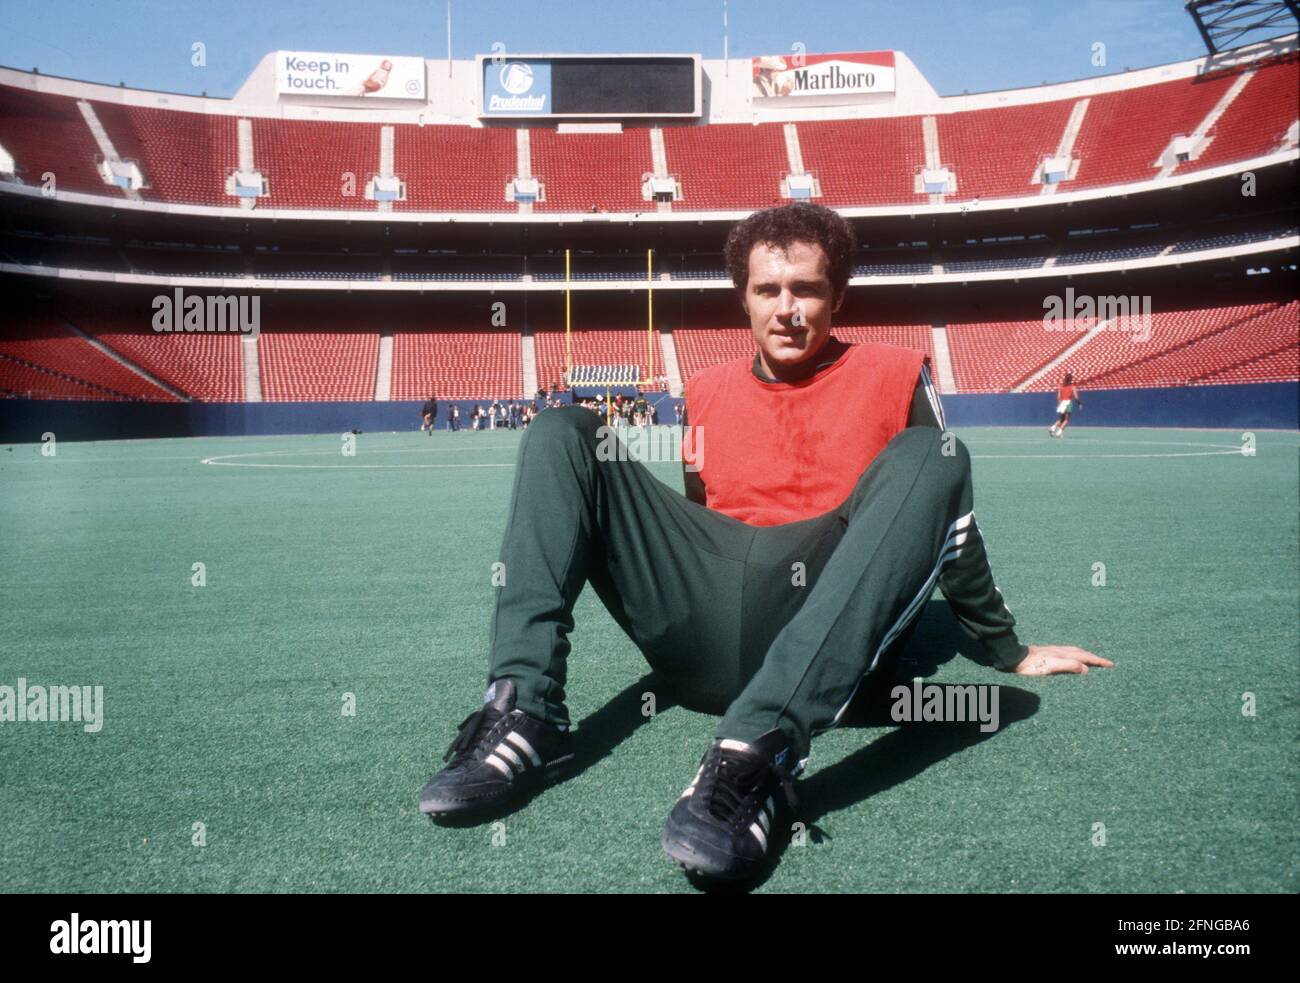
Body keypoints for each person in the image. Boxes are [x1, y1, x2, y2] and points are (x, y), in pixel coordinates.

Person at [419, 202, 1108, 882]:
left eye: (806, 288)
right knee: (561, 430)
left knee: (939, 454)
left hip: (821, 625)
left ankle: (756, 749)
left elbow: (945, 520)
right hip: (704, 630)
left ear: (837, 295)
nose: (788, 308)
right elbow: (701, 516)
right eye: (768, 289)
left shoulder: (897, 373)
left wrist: (1005, 647)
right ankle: (523, 711)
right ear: (743, 299)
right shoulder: (707, 389)